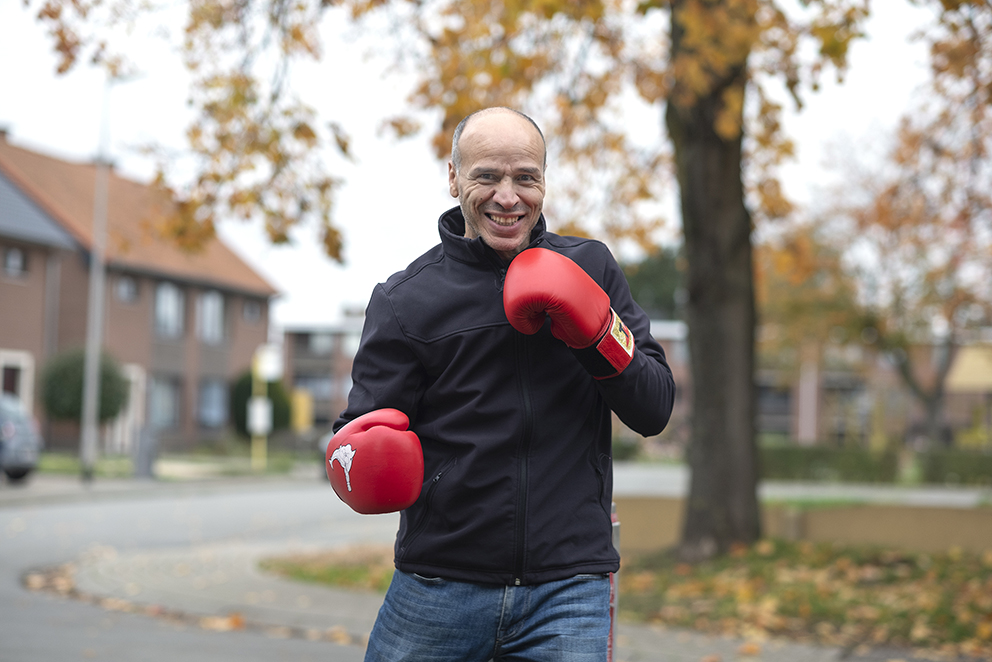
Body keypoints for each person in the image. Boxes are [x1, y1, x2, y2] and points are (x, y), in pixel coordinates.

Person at [325, 107, 676, 661]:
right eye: (487, 176)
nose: (508, 197)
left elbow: (654, 407)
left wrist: (595, 334)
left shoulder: (592, 268)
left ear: (543, 181)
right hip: (439, 584)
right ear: (454, 178)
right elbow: (357, 437)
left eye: (525, 178)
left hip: (569, 585)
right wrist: (361, 460)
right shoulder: (403, 301)